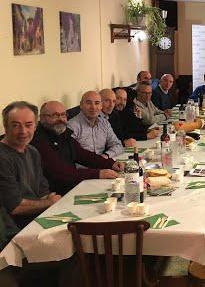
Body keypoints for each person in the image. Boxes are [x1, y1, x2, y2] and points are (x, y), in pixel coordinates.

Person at [32, 101, 123, 195]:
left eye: (63, 115)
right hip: (55, 194)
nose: (60, 119)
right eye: (55, 115)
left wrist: (111, 164)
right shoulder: (39, 140)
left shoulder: (64, 134)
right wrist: (98, 173)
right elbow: (60, 172)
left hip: (72, 186)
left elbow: (83, 155)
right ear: (42, 118)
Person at [0, 101, 61, 230]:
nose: (23, 131)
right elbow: (14, 207)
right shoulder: (3, 157)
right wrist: (49, 202)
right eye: (16, 125)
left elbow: (42, 189)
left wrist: (48, 200)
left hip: (37, 218)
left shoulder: (32, 151)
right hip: (13, 229)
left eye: (28, 125)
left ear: (35, 126)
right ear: (6, 126)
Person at [67, 91, 123, 159]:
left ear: (101, 106)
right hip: (83, 168)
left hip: (102, 164)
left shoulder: (104, 123)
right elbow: (71, 154)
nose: (93, 107)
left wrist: (106, 155)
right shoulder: (72, 126)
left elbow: (117, 145)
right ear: (81, 105)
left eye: (97, 103)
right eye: (88, 103)